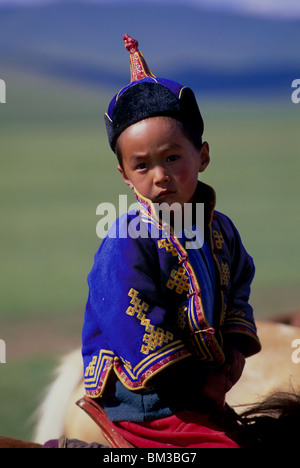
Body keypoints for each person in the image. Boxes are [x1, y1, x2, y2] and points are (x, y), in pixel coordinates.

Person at [81, 34, 261, 448]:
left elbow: (239, 285)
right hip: (148, 399)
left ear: (203, 155)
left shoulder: (220, 229)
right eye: (142, 165)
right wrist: (197, 382)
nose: (159, 175)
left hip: (199, 389)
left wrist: (234, 347)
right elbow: (132, 319)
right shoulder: (127, 239)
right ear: (125, 176)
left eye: (173, 158)